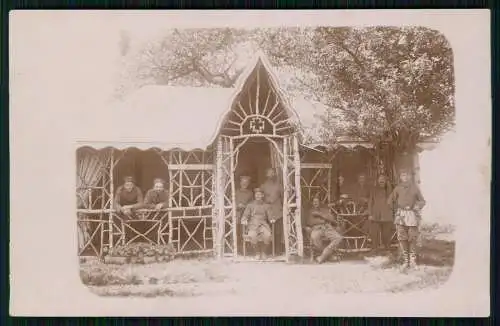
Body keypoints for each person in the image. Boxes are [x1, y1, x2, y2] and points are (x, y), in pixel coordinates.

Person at [387, 169, 426, 270]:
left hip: (412, 214)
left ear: (410, 176)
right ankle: (406, 261)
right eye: (403, 175)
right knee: (402, 237)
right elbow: (390, 201)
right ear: (400, 177)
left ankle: (413, 260)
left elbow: (422, 201)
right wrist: (396, 210)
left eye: (407, 175)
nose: (405, 177)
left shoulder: (415, 188)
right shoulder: (397, 188)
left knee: (412, 237)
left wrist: (416, 207)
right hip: (401, 215)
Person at [305, 195, 343, 264]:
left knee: (338, 238)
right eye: (314, 202)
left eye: (317, 201)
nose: (315, 203)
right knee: (314, 238)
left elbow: (332, 220)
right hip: (316, 229)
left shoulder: (324, 210)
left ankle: (322, 256)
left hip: (327, 227)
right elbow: (309, 222)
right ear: (312, 203)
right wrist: (323, 219)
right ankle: (328, 255)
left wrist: (320, 215)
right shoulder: (310, 211)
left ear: (320, 202)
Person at [241, 188, 275, 259]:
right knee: (252, 235)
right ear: (254, 195)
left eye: (259, 195)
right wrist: (244, 220)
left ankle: (263, 252)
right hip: (253, 225)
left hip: (263, 225)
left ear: (262, 195)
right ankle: (257, 252)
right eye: (256, 195)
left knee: (268, 235)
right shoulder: (250, 205)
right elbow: (245, 215)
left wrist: (272, 219)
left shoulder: (266, 206)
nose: (258, 196)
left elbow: (270, 216)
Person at [368, 174, 394, 252]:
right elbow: (370, 202)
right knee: (374, 233)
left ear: (386, 181)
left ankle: (387, 250)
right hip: (375, 215)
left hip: (387, 215)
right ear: (377, 181)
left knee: (386, 234)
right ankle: (374, 249)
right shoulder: (373, 190)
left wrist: (388, 184)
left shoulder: (389, 190)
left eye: (383, 179)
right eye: (380, 179)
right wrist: (370, 214)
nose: (381, 181)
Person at [260, 168, 283, 250]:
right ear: (266, 175)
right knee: (268, 230)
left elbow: (283, 197)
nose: (271, 175)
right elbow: (260, 198)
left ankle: (277, 249)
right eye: (269, 174)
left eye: (273, 173)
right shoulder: (263, 186)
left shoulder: (279, 185)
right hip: (268, 211)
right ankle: (268, 249)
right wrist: (266, 201)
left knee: (278, 231)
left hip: (278, 211)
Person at [235, 175, 254, 252]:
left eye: (246, 182)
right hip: (236, 215)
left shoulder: (250, 193)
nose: (244, 184)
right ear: (240, 183)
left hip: (246, 215)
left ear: (248, 183)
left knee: (245, 232)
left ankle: (245, 249)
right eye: (243, 182)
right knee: (236, 232)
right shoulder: (236, 192)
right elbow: (230, 202)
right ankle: (236, 249)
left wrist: (245, 206)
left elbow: (252, 204)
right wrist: (237, 205)